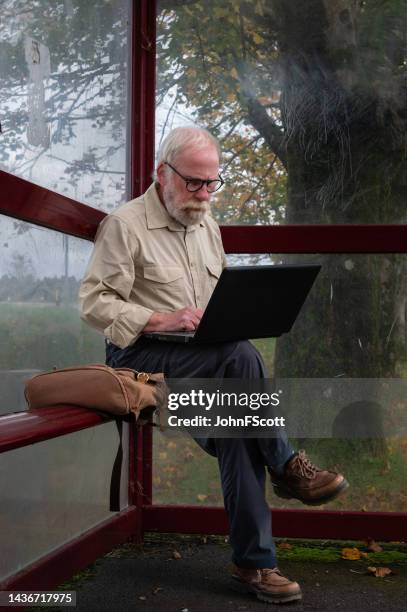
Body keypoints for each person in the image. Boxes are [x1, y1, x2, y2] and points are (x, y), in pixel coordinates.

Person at [79, 126, 348, 605]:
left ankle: (256, 564)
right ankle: (286, 465)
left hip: (206, 359)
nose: (204, 194)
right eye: (194, 183)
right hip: (139, 360)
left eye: (212, 184)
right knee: (242, 357)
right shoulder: (125, 224)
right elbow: (94, 303)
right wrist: (162, 317)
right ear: (163, 173)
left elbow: (217, 302)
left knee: (238, 426)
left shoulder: (207, 226)